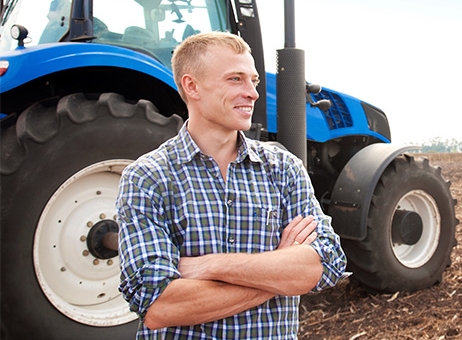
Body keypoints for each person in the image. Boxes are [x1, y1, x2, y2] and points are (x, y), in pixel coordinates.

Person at [116, 31, 347, 339]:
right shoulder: (148, 178)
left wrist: (210, 266)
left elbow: (326, 263)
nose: (252, 93)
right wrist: (280, 274)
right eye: (236, 79)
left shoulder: (284, 169)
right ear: (192, 86)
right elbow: (160, 305)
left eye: (254, 81)